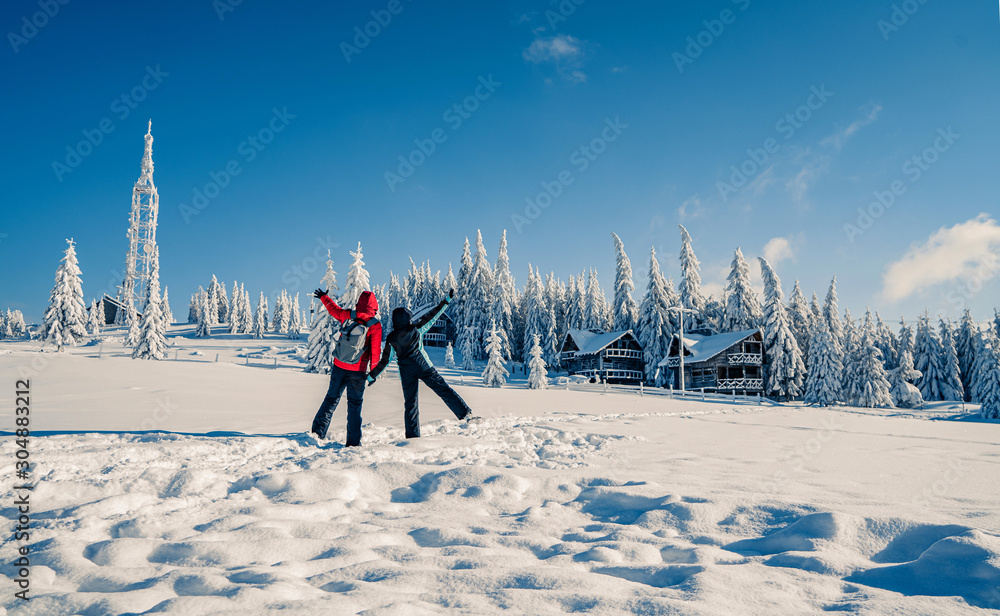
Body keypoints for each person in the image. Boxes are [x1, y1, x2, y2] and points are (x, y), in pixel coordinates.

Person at [367, 289, 474, 437]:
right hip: (424, 367)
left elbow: (385, 361)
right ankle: (465, 414)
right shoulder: (416, 329)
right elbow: (433, 315)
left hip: (406, 373)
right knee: (444, 390)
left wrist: (372, 376)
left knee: (411, 404)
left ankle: (412, 436)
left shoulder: (392, 338)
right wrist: (446, 301)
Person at [309, 288, 382, 446]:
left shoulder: (349, 315)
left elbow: (333, 309)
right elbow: (375, 351)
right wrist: (373, 373)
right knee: (354, 405)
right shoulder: (375, 326)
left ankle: (316, 434)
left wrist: (323, 297)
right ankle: (353, 443)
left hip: (339, 366)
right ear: (374, 306)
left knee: (331, 399)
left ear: (359, 303)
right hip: (358, 371)